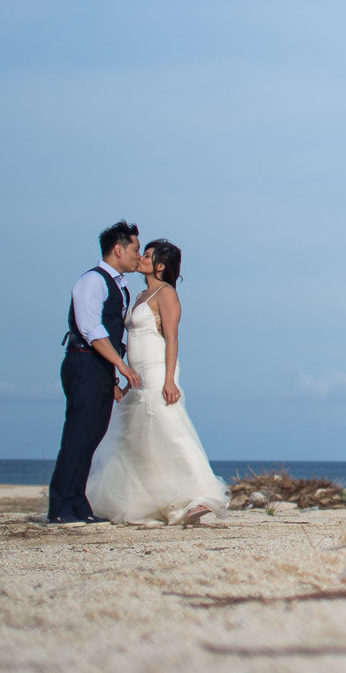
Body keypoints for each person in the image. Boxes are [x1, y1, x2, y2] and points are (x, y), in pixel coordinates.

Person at [86, 238, 226, 524]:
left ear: (160, 266)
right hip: (137, 376)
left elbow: (172, 338)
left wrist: (169, 380)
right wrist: (124, 380)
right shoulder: (138, 296)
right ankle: (159, 500)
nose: (141, 258)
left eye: (147, 256)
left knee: (172, 429)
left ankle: (201, 496)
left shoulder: (167, 293)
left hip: (159, 371)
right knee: (141, 439)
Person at [47, 222, 141, 524]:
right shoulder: (93, 281)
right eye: (136, 250)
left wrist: (113, 378)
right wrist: (123, 367)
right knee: (77, 435)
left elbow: (111, 335)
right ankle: (60, 507)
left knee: (91, 437)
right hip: (83, 362)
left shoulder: (121, 287)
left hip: (100, 367)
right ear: (118, 249)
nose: (138, 256)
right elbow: (92, 330)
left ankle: (77, 504)